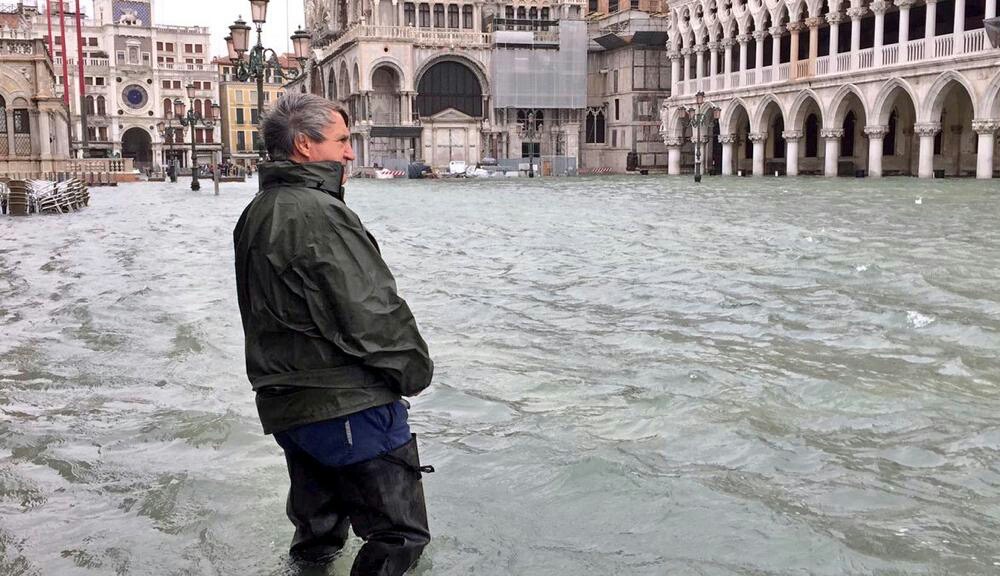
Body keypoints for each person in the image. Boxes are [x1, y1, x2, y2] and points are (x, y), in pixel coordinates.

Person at [233, 92, 434, 575]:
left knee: (318, 535)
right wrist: (414, 372)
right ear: (305, 145)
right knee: (399, 536)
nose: (350, 152)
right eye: (342, 141)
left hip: (290, 406)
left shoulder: (258, 210)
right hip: (346, 405)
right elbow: (370, 312)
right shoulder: (319, 212)